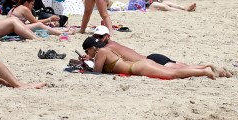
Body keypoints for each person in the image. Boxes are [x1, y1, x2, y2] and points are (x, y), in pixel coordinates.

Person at [89, 25, 232, 77]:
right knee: (185, 68)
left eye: (100, 37)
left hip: (151, 60)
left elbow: (103, 64)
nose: (98, 39)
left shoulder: (109, 48)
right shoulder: (112, 45)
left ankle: (211, 69)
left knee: (180, 71)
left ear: (107, 36)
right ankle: (217, 70)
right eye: (96, 37)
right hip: (151, 58)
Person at [79, 36, 216, 79]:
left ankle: (204, 71)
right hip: (141, 64)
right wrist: (90, 60)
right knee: (173, 71)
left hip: (138, 67)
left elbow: (97, 72)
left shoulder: (101, 53)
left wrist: (85, 68)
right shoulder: (106, 49)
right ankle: (205, 67)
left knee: (172, 74)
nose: (87, 53)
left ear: (91, 48)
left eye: (87, 50)